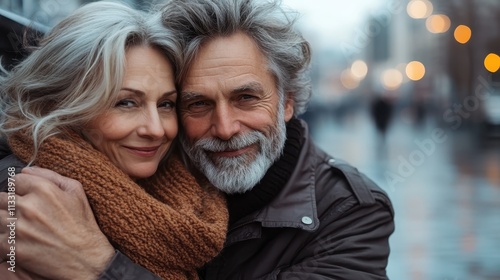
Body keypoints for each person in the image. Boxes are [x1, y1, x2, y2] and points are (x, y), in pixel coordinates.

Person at [1, 0, 395, 279]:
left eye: (246, 98)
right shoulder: (110, 173)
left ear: (288, 101)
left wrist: (94, 265)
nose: (224, 128)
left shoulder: (350, 213)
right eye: (197, 104)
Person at [0, 2, 227, 279]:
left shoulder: (185, 191)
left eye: (166, 104)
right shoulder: (20, 202)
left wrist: (98, 263)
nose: (156, 130)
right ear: (58, 104)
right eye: (126, 102)